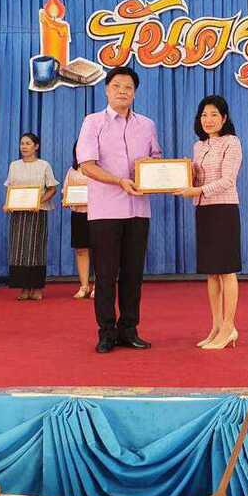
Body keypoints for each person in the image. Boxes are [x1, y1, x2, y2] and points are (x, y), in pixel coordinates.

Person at [77, 65, 162, 353]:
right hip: (105, 210)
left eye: (128, 87)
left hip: (138, 210)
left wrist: (155, 170)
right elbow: (87, 165)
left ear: (135, 93)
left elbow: (156, 158)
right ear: (106, 90)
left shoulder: (147, 125)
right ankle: (106, 332)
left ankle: (129, 329)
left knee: (133, 274)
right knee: (105, 275)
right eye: (117, 86)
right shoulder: (92, 122)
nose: (122, 91)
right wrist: (119, 181)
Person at [174, 95, 243, 349]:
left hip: (224, 209)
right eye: (204, 115)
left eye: (214, 114)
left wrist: (197, 190)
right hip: (203, 211)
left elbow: (228, 180)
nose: (208, 119)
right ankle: (216, 326)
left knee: (227, 271)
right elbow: (196, 179)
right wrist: (187, 174)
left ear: (224, 118)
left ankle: (229, 327)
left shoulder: (232, 142)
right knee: (212, 272)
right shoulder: (198, 146)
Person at [3, 132, 58, 300]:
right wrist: (7, 203)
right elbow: (10, 188)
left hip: (37, 212)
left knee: (35, 248)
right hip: (18, 213)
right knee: (19, 249)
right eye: (22, 143)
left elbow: (52, 189)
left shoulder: (44, 165)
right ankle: (24, 288)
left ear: (36, 146)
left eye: (28, 143)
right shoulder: (14, 165)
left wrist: (39, 201)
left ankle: (37, 288)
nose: (24, 147)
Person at [63, 140, 93, 299]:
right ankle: (84, 286)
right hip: (79, 215)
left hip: (98, 214)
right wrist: (66, 200)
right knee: (81, 250)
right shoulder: (72, 170)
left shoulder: (99, 168)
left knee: (101, 251)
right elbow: (65, 191)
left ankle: (99, 286)